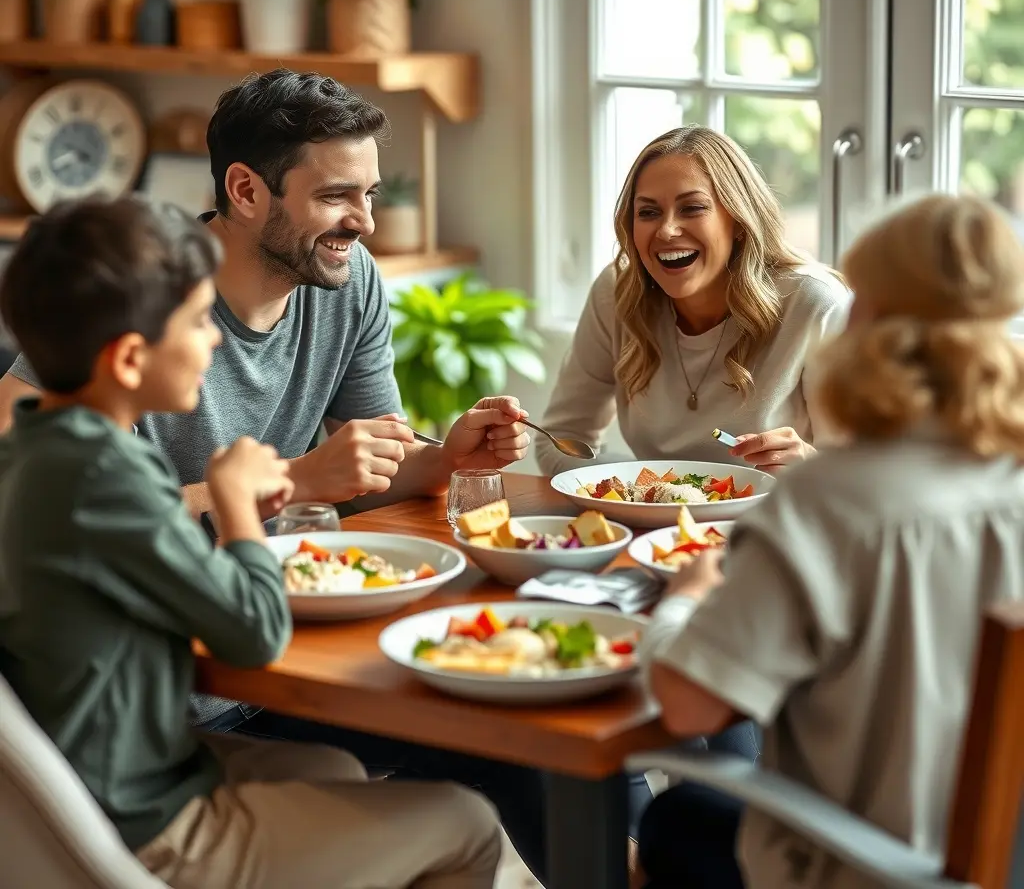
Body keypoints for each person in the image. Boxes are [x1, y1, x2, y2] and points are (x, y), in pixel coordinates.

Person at [0, 70, 553, 882]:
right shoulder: (143, 297)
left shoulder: (338, 283)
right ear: (246, 190)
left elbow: (361, 463)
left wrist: (442, 459)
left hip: (187, 719)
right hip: (173, 731)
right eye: (337, 196)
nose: (364, 223)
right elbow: (244, 616)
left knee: (486, 744)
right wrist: (266, 490)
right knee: (471, 802)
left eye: (369, 194)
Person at [639, 193, 1024, 889]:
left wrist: (684, 602)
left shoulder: (831, 500)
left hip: (864, 871)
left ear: (868, 318)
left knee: (675, 819)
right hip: (1002, 861)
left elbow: (688, 705)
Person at [536, 125, 851, 477]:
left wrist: (810, 466)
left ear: (739, 221)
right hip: (650, 529)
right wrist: (641, 488)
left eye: (692, 208)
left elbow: (865, 483)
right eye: (648, 212)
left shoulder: (816, 304)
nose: (667, 230)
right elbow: (557, 441)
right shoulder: (617, 292)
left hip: (770, 527)